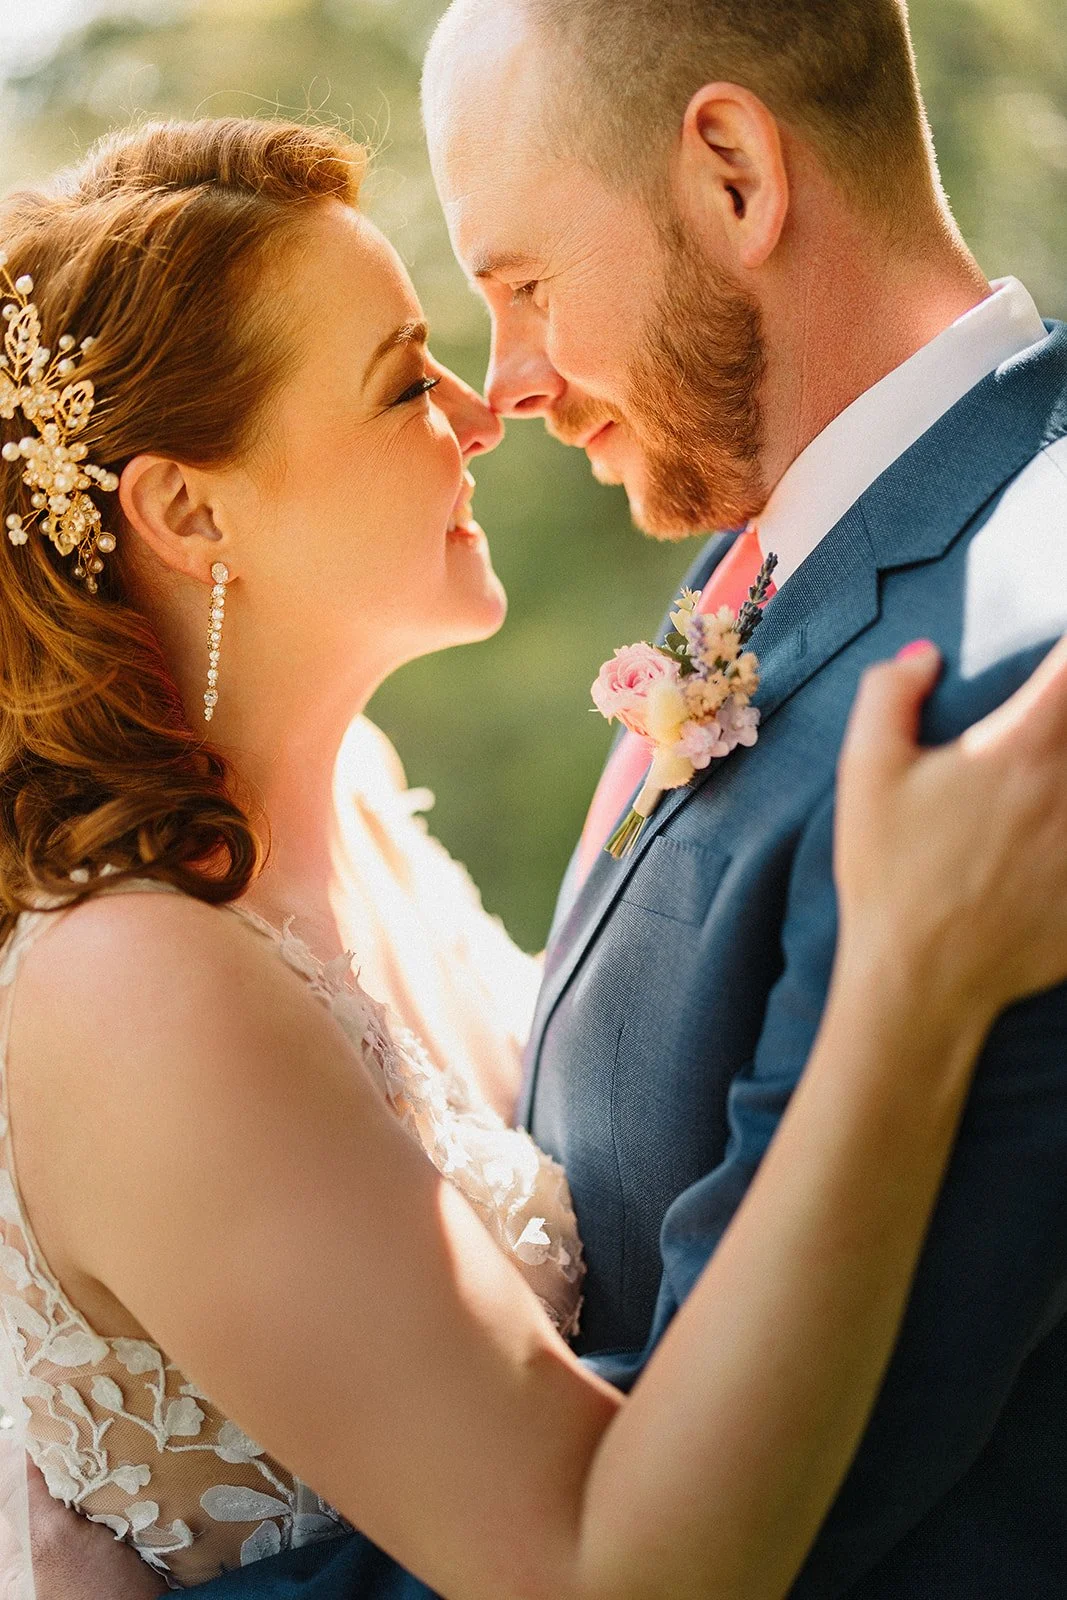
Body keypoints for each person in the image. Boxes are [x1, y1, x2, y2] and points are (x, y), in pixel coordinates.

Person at [2, 107, 1067, 1600]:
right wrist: (905, 992)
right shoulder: (137, 988)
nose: (481, 410)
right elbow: (590, 1571)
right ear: (189, 510)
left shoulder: (358, 799)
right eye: (401, 384)